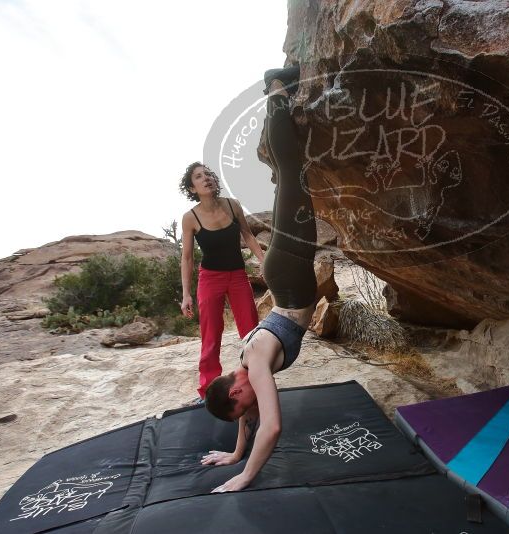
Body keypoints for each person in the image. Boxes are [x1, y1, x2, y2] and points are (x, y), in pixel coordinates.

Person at [199, 65, 319, 493]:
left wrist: (244, 476)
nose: (246, 412)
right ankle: (278, 94)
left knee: (291, 171)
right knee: (288, 174)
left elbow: (271, 426)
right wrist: (234, 453)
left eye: (238, 409)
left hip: (289, 270)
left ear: (235, 392)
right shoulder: (247, 364)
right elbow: (250, 420)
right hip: (282, 274)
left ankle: (276, 88)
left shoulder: (260, 362)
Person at [179, 162, 266, 400]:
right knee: (211, 334)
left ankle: (255, 381)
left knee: (251, 331)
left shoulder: (232, 205)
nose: (206, 178)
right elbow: (186, 258)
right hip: (210, 279)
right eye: (198, 176)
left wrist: (263, 260)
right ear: (192, 187)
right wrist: (186, 294)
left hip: (237, 275)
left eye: (208, 174)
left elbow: (247, 234)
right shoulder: (190, 218)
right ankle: (208, 390)